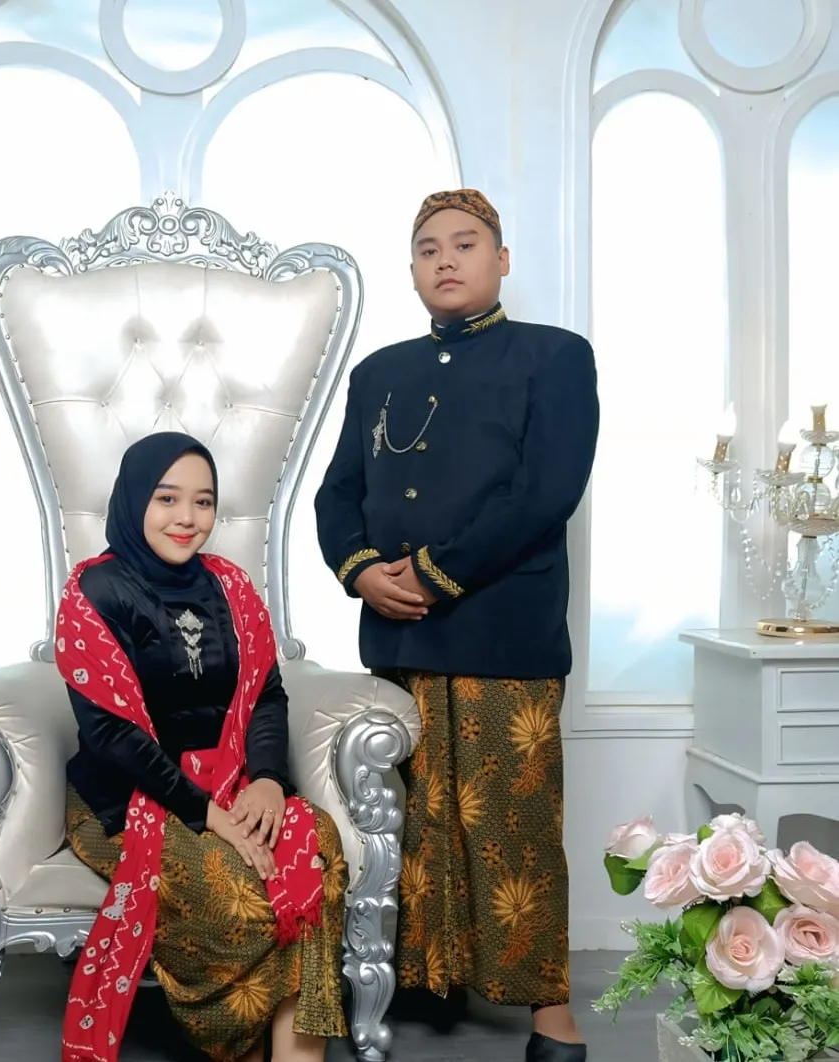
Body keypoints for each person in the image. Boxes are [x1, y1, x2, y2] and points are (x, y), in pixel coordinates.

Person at [314, 189, 599, 1062]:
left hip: (504, 636)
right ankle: (418, 981)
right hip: (399, 638)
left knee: (514, 829)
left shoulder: (555, 357)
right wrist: (361, 569)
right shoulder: (379, 372)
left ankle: (552, 1016)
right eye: (428, 247)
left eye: (466, 244)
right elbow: (337, 494)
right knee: (408, 827)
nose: (445, 258)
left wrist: (435, 574)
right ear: (411, 271)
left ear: (501, 260)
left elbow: (546, 494)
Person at [59, 432, 347, 1062]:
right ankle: (239, 1047)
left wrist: (267, 780)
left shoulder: (231, 586)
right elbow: (112, 735)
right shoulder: (94, 592)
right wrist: (207, 812)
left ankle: (297, 1054)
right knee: (233, 890)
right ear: (134, 499)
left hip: (233, 779)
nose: (187, 518)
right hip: (126, 799)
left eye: (203, 501)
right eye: (167, 498)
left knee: (315, 845)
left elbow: (266, 693)